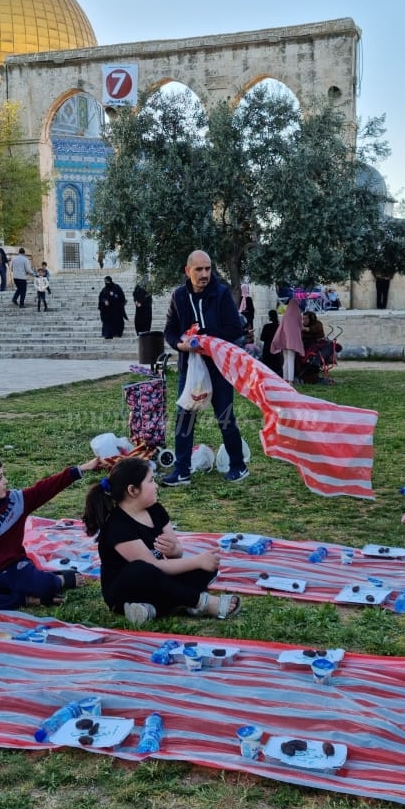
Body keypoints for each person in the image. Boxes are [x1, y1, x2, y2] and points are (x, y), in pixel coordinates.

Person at [0, 452, 105, 611]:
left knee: (44, 586)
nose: (6, 481)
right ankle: (26, 600)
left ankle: (59, 578)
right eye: (0, 478)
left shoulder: (15, 501)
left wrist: (80, 469)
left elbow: (44, 489)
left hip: (16, 568)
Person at [81, 457, 240, 626]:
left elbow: (176, 552)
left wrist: (175, 551)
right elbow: (152, 566)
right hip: (127, 589)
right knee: (142, 569)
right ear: (133, 490)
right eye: (151, 481)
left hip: (158, 581)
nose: (156, 485)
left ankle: (150, 609)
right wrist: (195, 561)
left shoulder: (156, 510)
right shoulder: (118, 526)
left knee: (206, 569)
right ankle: (201, 602)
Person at [162, 250, 250, 485]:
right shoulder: (179, 296)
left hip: (218, 368)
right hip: (190, 369)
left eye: (208, 269)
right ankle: (181, 471)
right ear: (187, 270)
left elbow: (234, 329)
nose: (204, 274)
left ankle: (238, 466)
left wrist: (206, 341)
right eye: (199, 269)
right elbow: (169, 330)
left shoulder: (220, 294)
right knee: (184, 418)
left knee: (225, 417)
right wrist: (180, 344)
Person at [258, 309, 282, 373]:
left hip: (267, 349)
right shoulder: (279, 326)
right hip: (277, 350)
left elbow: (262, 338)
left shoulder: (266, 326)